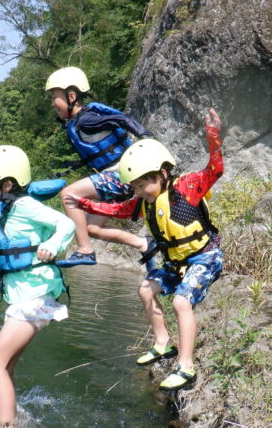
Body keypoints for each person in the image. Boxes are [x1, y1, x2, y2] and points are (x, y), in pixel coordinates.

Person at [64, 109, 223, 390]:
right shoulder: (144, 201)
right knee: (145, 289)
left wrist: (213, 136)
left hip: (205, 256)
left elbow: (215, 169)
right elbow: (118, 209)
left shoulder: (187, 187)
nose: (139, 190)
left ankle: (186, 366)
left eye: (143, 183)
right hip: (177, 263)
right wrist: (86, 205)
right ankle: (163, 344)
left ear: (162, 174)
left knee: (181, 302)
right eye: (135, 185)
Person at [0, 145, 75, 428]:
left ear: (7, 184)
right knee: (5, 366)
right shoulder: (6, 209)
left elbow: (65, 224)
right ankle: (9, 417)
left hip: (35, 299)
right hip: (25, 300)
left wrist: (53, 245)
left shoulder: (24, 205)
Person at [45, 66, 156, 268]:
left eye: (54, 97)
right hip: (114, 177)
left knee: (68, 195)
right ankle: (143, 244)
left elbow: (121, 119)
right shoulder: (78, 121)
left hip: (121, 176)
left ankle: (84, 251)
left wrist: (147, 137)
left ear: (71, 96)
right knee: (90, 228)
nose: (53, 104)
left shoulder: (86, 119)